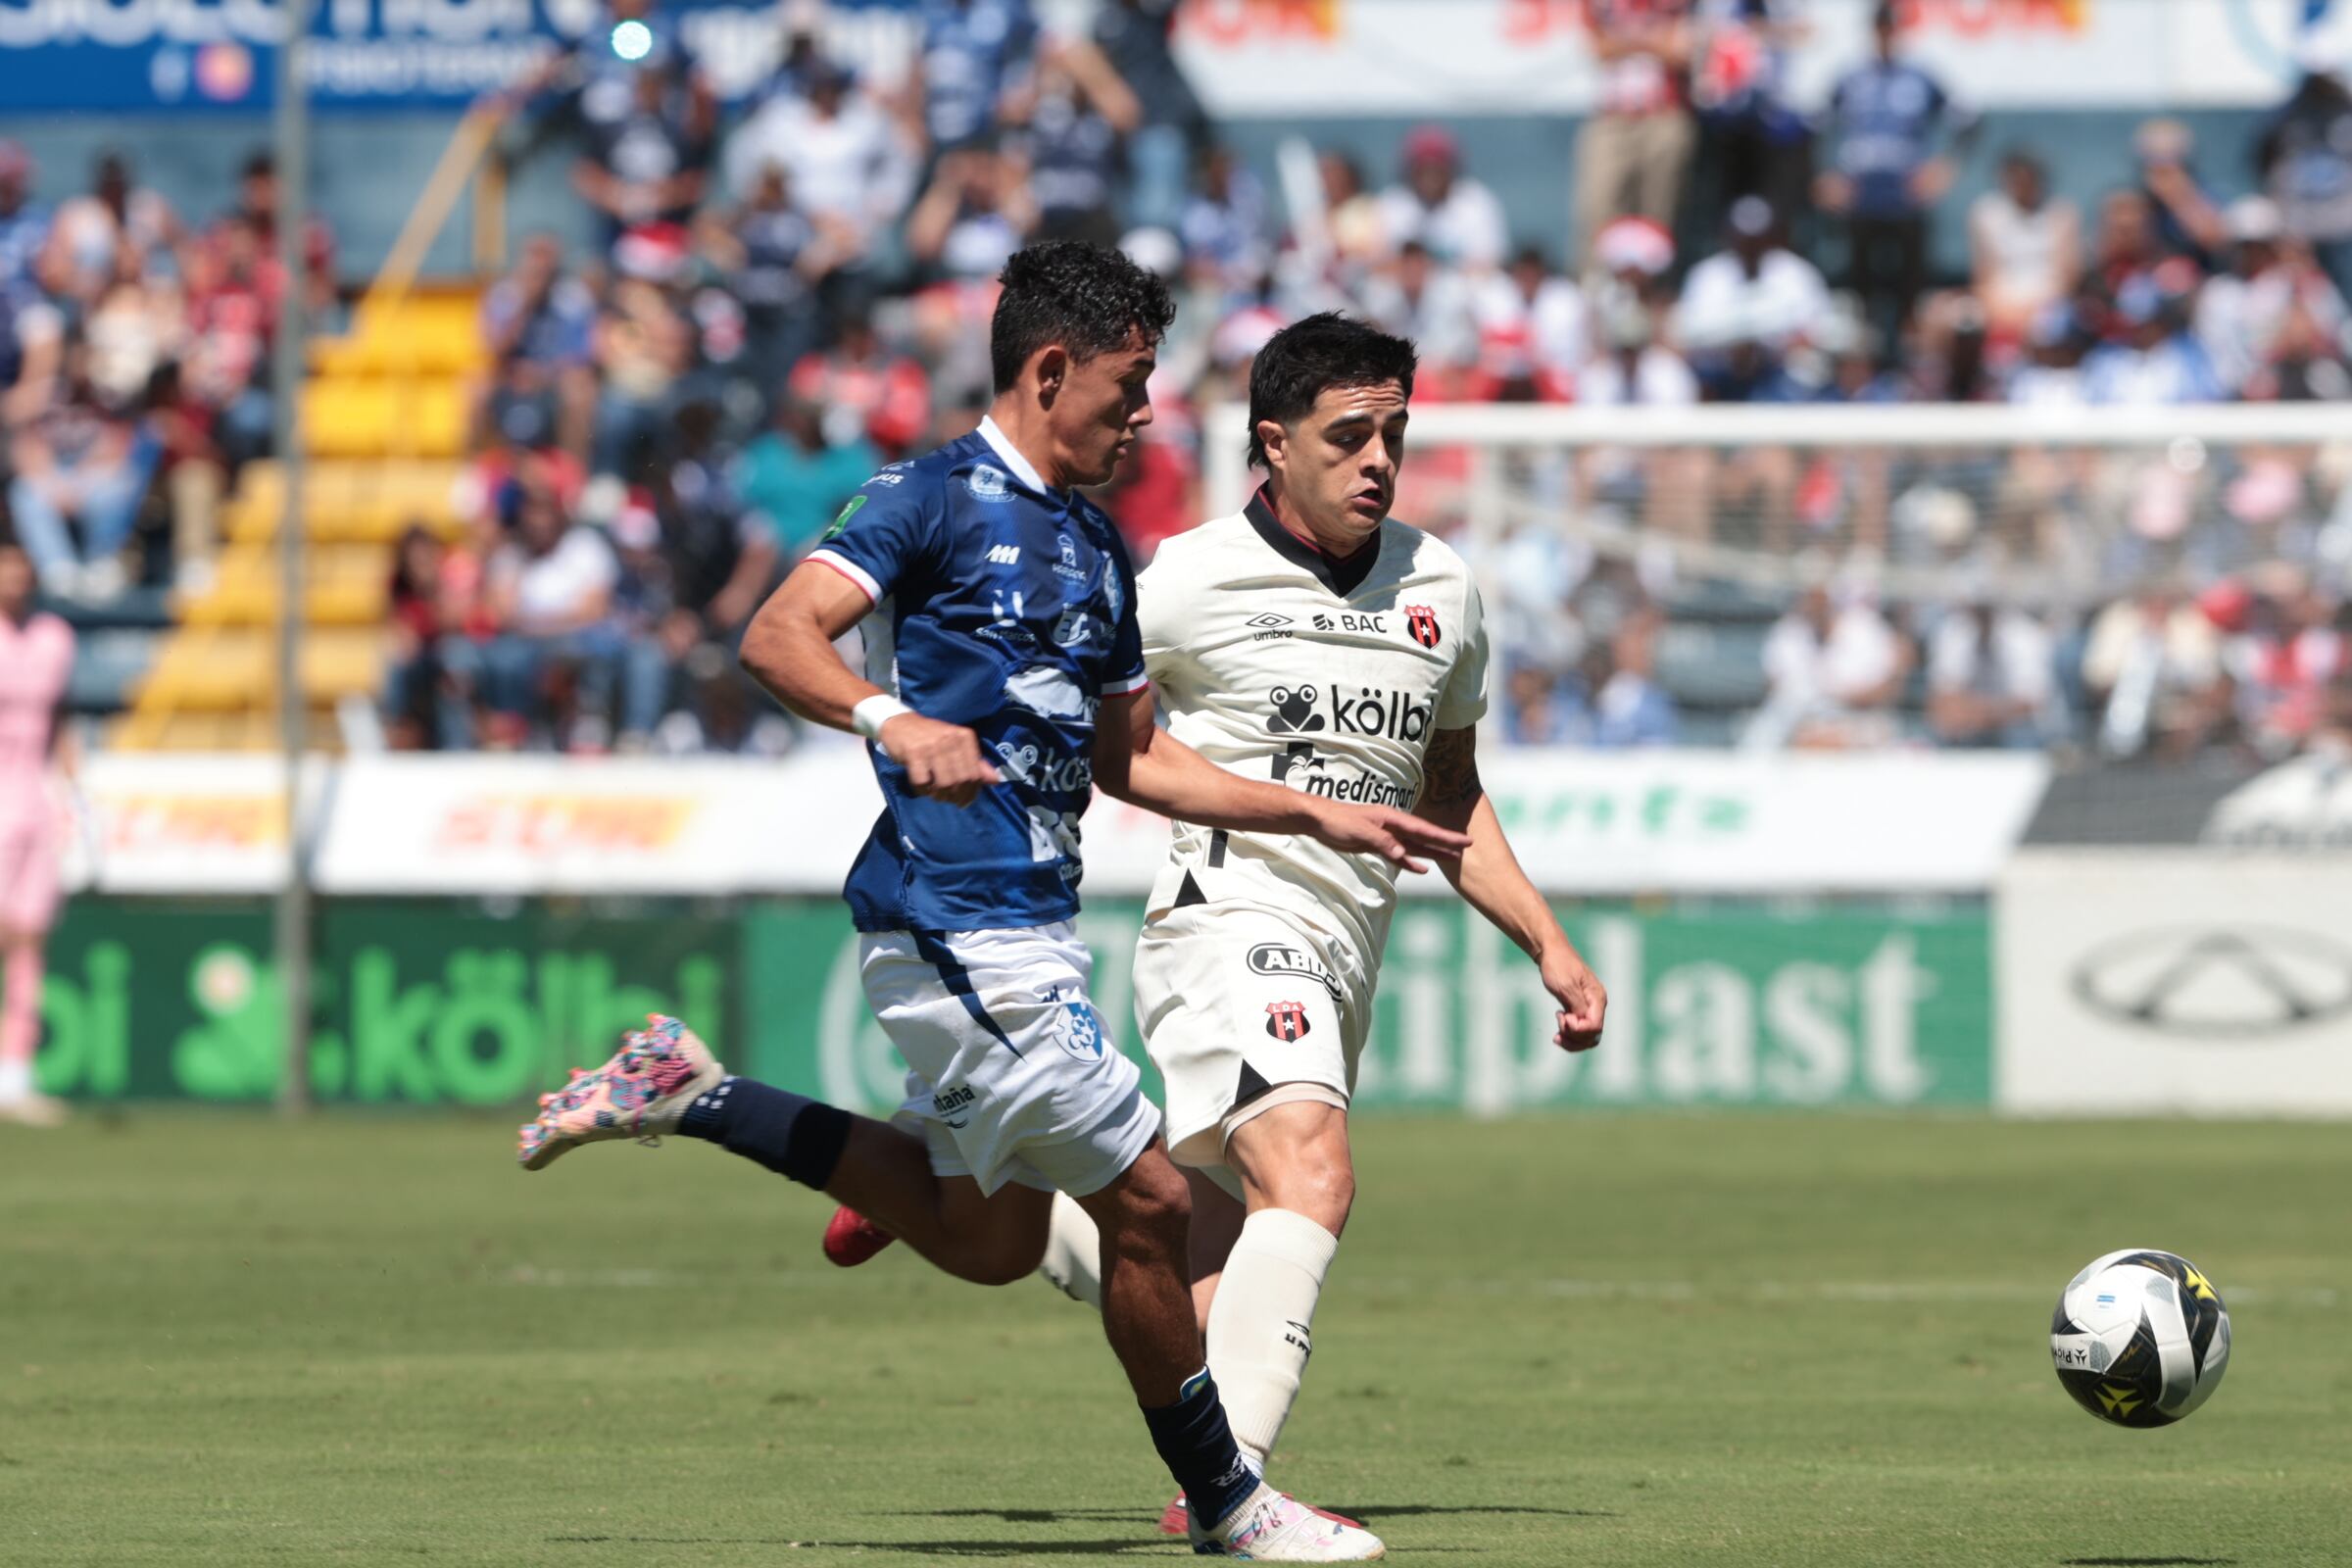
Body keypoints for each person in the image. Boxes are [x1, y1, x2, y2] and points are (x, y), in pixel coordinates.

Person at [514, 245, 1453, 1561]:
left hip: (1030, 928)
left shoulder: (1094, 543)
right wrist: (889, 716)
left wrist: (1312, 807)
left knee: (989, 1238)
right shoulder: (928, 499)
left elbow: (1134, 761)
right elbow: (780, 635)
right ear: (1050, 370)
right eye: (1127, 390)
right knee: (1151, 1205)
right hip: (949, 921)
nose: (1143, 418)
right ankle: (1232, 1503)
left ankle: (690, 1091)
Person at [822, 313, 1609, 1537]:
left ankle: (985, 1158)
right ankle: (1227, 1487)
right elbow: (1089, 724)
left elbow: (1446, 794)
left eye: (1394, 433)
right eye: (1349, 435)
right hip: (1226, 912)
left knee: (1201, 1249)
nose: (1378, 460)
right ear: (1272, 445)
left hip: (1349, 942)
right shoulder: (1183, 576)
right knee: (1313, 1171)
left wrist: (1548, 943)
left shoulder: (1443, 588)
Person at [1815, 2, 1976, 365]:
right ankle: (1863, 360)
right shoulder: (1852, 77)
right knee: (1861, 289)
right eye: (1879, 27)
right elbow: (1816, 125)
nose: (1886, 34)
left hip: (1906, 197)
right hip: (1862, 197)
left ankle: (1909, 359)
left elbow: (1967, 120)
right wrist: (1826, 175)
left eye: (1891, 27)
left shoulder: (1920, 77)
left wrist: (1943, 168)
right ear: (1872, 32)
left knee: (1910, 286)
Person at [0, 541, 74, 1127]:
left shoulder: (52, 639)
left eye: (21, 570)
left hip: (35, 800)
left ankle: (16, 1075)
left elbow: (61, 720)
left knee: (29, 938)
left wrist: (75, 793)